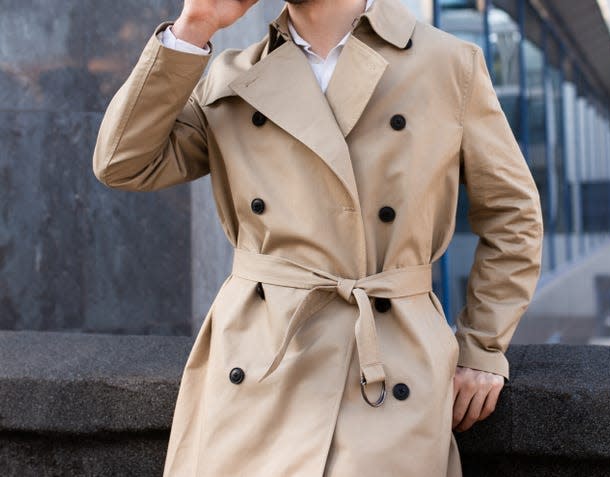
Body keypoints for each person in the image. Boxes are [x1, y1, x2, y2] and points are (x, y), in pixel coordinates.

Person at [92, 0, 544, 475]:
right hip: (259, 361)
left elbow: (511, 213)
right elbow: (123, 162)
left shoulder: (448, 63)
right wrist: (195, 25)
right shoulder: (231, 74)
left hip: (389, 358)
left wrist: (483, 346)